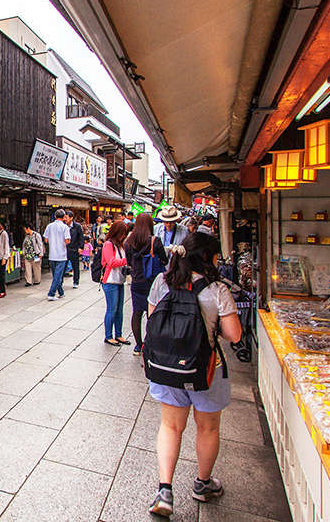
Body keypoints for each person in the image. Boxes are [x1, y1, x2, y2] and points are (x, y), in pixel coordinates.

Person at [145, 232, 242, 516]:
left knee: (170, 427)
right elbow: (234, 335)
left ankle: (165, 491)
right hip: (206, 369)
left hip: (167, 368)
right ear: (207, 258)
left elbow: (152, 321)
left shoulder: (162, 282)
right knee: (208, 428)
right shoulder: (217, 290)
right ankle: (202, 484)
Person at [125, 213, 168, 355]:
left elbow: (129, 262)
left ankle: (138, 345)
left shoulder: (129, 242)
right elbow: (164, 260)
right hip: (153, 282)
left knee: (136, 312)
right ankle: (151, 343)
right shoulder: (155, 241)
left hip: (137, 281)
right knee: (153, 313)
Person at [101, 221, 130, 346]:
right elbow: (111, 262)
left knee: (119, 310)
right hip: (110, 281)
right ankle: (108, 336)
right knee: (112, 309)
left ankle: (118, 334)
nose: (123, 236)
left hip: (119, 280)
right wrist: (126, 260)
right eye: (122, 233)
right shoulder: (108, 244)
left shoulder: (121, 245)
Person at [43, 209, 71, 301]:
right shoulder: (65, 227)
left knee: (56, 275)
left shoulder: (49, 226)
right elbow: (67, 241)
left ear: (55, 216)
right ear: (63, 217)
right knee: (57, 276)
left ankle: (61, 292)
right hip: (61, 254)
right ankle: (51, 293)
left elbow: (46, 240)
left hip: (52, 254)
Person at [64, 210, 84, 289]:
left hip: (74, 249)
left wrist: (80, 247)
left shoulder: (77, 226)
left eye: (66, 217)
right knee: (63, 266)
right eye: (64, 217)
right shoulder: (63, 226)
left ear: (71, 218)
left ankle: (76, 281)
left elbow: (81, 238)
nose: (65, 219)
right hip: (65, 249)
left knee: (75, 266)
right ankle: (60, 282)